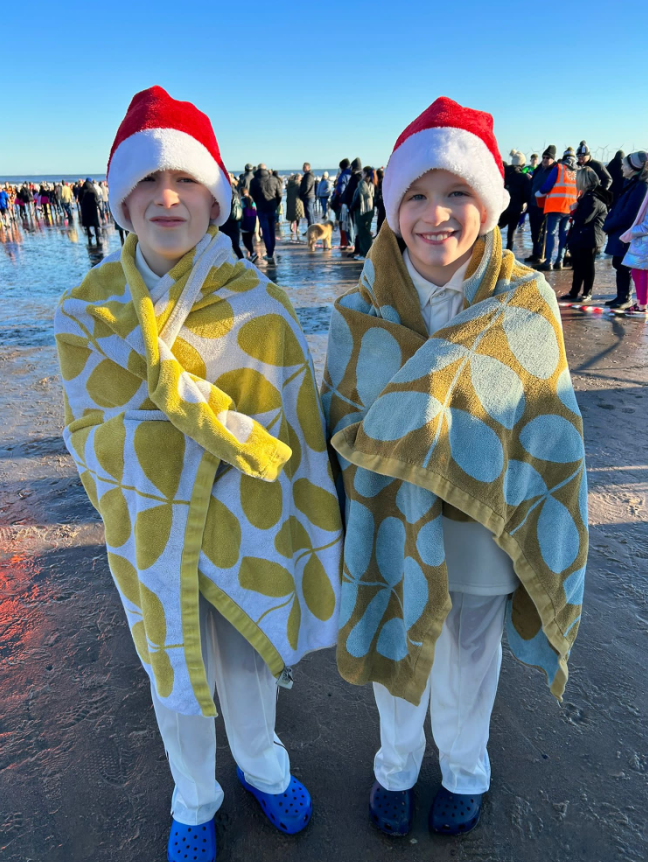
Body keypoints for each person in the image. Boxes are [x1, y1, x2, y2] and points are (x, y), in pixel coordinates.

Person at [54, 86, 343, 862]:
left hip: (244, 525)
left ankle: (264, 769)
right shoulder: (88, 311)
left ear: (215, 198)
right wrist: (199, 436)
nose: (166, 196)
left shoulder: (262, 305)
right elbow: (92, 432)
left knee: (245, 667)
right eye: (146, 181)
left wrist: (200, 432)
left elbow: (293, 432)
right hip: (149, 527)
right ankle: (194, 796)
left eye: (183, 179)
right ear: (119, 200)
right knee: (171, 672)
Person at [322, 96, 587, 840]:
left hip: (483, 521)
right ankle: (395, 768)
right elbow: (341, 424)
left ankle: (467, 769)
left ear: (490, 203)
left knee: (470, 655)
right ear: (391, 208)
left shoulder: (526, 300)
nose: (436, 215)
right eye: (416, 196)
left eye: (457, 194)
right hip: (387, 517)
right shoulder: (354, 311)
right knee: (394, 643)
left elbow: (548, 424)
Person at [603, 151, 648, 309]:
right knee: (619, 264)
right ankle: (621, 295)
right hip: (621, 231)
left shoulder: (641, 186)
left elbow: (630, 214)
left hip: (626, 232)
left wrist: (609, 224)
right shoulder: (631, 183)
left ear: (634, 167)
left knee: (624, 265)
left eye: (624, 164)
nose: (621, 167)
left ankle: (625, 297)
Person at [560, 167, 610, 304]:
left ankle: (587, 292)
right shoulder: (588, 196)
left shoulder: (593, 198)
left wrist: (573, 210)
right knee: (578, 266)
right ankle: (574, 291)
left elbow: (584, 218)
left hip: (590, 238)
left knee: (587, 266)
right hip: (583, 237)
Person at [536, 147, 578, 271]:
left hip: (555, 207)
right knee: (563, 236)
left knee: (551, 234)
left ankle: (548, 261)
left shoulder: (559, 167)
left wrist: (538, 193)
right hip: (570, 208)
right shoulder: (578, 171)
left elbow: (547, 186)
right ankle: (559, 262)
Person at [620, 176, 648, 316]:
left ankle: (642, 306)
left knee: (640, 272)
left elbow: (647, 225)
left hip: (644, 242)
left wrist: (632, 232)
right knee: (638, 272)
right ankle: (641, 304)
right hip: (643, 241)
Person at [525, 145, 556, 264]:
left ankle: (540, 255)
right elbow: (533, 183)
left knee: (543, 232)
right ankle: (535, 253)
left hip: (545, 206)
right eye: (543, 157)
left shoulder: (554, 170)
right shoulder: (539, 169)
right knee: (534, 231)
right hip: (533, 204)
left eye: (548, 157)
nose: (545, 159)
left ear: (552, 159)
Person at [249, 162, 282, 263]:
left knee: (266, 232)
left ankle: (270, 253)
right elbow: (279, 194)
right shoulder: (274, 179)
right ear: (266, 169)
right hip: (272, 207)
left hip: (262, 208)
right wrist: (276, 204)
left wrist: (258, 202)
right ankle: (271, 252)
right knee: (272, 231)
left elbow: (252, 195)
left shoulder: (254, 181)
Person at [498, 151, 531, 250]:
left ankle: (493, 248)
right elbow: (527, 195)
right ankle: (508, 252)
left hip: (502, 207)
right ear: (522, 164)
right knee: (511, 232)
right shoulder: (524, 177)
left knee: (497, 227)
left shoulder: (503, 174)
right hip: (516, 208)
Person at [351, 166, 375, 260]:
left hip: (363, 211)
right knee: (364, 232)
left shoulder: (362, 184)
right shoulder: (372, 184)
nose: (361, 174)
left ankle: (365, 254)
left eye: (363, 173)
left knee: (363, 233)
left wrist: (353, 206)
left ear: (365, 174)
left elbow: (364, 196)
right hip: (369, 210)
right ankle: (364, 253)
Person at [219, 175, 244, 258]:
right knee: (235, 244)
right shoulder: (235, 191)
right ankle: (241, 259)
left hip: (226, 220)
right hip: (234, 220)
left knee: (224, 243)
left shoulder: (223, 192)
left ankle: (231, 260)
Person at [331, 158, 352, 247]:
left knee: (343, 223)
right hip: (350, 202)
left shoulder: (343, 175)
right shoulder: (351, 173)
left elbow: (340, 189)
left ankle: (344, 242)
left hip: (341, 203)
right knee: (349, 223)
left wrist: (335, 194)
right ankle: (349, 242)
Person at [79, 178, 102, 243]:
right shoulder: (93, 189)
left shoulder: (82, 189)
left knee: (87, 223)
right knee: (95, 222)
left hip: (85, 208)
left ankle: (89, 234)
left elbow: (79, 198)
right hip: (92, 207)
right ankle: (97, 234)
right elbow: (97, 197)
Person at [240, 192, 258, 261]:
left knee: (245, 241)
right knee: (249, 241)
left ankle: (253, 253)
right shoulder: (253, 204)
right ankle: (251, 255)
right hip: (252, 226)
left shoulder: (242, 203)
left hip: (245, 226)